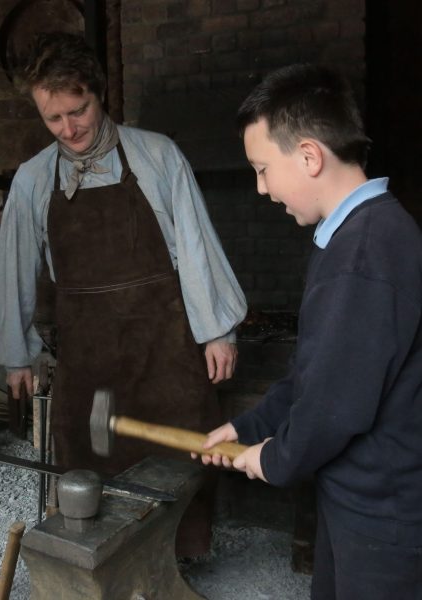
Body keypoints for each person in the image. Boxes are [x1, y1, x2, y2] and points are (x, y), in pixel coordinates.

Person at [0, 31, 247, 557]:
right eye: (54, 119)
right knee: (93, 459)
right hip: (91, 357)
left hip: (165, 348)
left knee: (180, 452)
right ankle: (103, 559)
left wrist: (217, 330)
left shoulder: (156, 155)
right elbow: (14, 269)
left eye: (78, 110)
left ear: (99, 93)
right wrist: (16, 354)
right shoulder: (33, 180)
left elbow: (196, 247)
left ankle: (178, 558)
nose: (70, 129)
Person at [199, 64, 422, 598]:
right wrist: (253, 425)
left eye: (262, 168)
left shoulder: (365, 253)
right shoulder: (353, 236)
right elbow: (315, 371)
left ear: (308, 156)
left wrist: (273, 458)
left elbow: (335, 405)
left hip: (384, 514)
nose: (260, 188)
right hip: (358, 498)